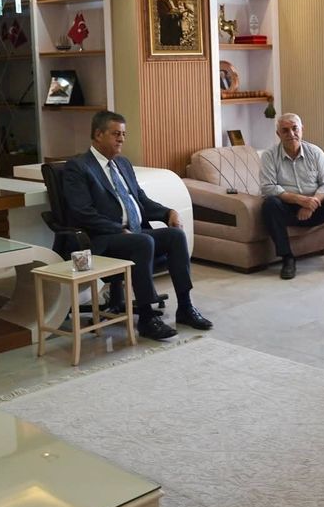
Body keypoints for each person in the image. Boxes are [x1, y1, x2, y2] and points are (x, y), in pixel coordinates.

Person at [60, 111, 212, 341]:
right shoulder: (79, 167)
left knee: (175, 236)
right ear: (98, 134)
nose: (121, 139)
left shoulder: (122, 163)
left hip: (134, 233)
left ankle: (185, 307)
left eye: (123, 134)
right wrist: (118, 229)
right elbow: (82, 212)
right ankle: (147, 318)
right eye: (116, 134)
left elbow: (141, 200)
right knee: (144, 241)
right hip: (102, 238)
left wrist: (167, 212)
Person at [259, 113, 324, 280]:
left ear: (302, 130)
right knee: (270, 204)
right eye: (285, 130)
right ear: (278, 134)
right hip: (288, 208)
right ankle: (287, 258)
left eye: (295, 129)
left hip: (315, 206)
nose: (291, 134)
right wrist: (300, 200)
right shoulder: (269, 156)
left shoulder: (315, 152)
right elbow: (268, 187)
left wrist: (312, 203)